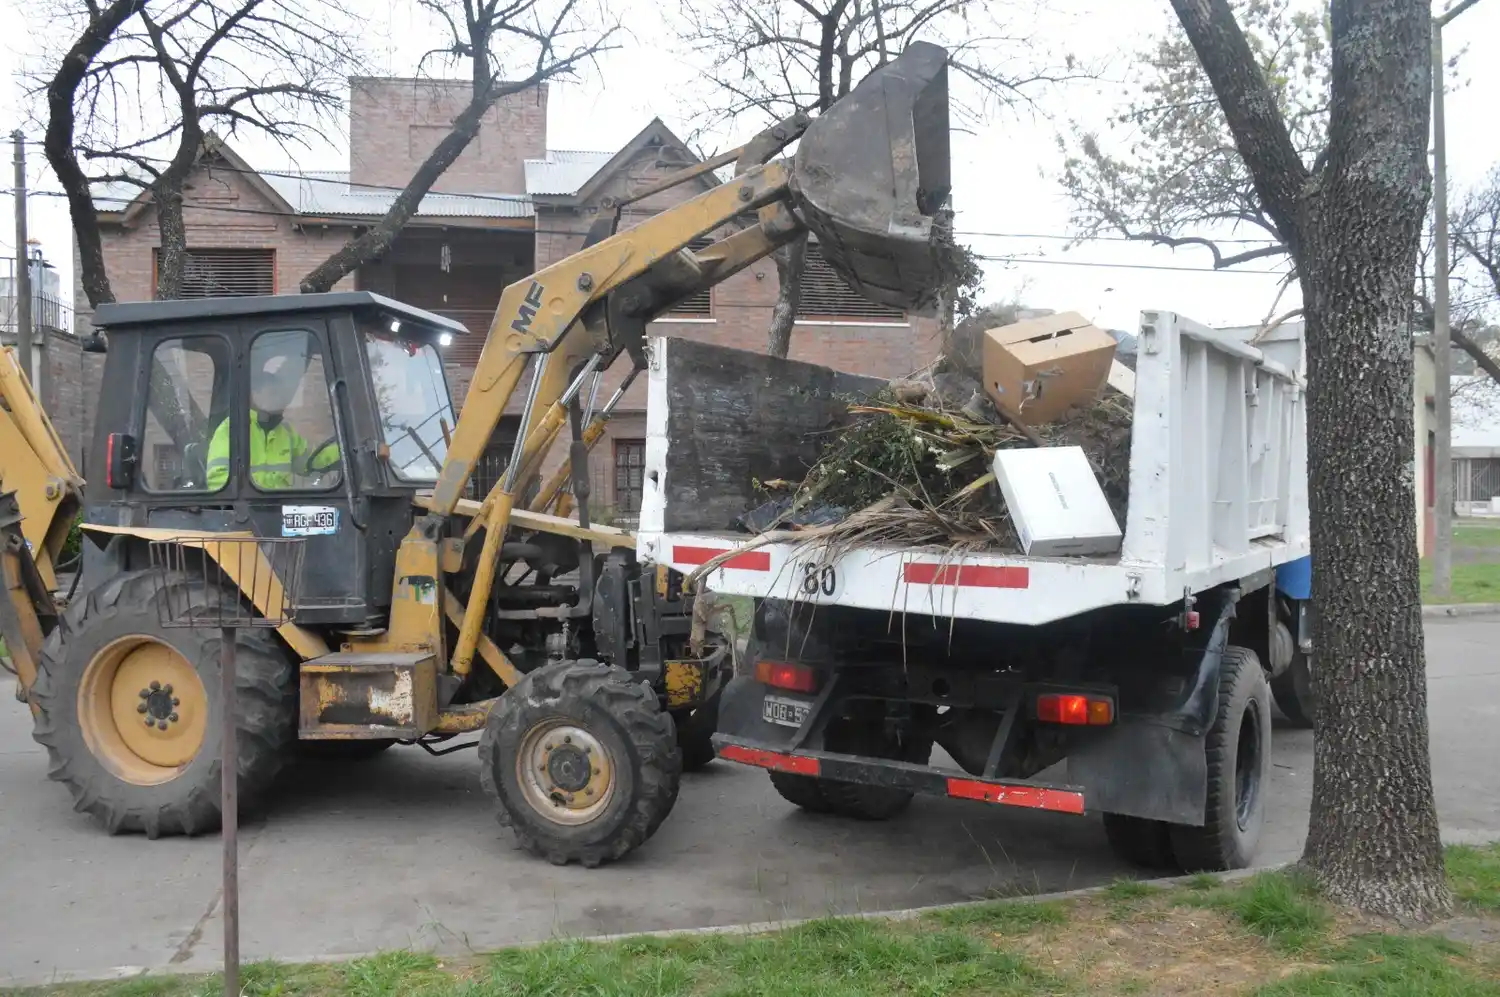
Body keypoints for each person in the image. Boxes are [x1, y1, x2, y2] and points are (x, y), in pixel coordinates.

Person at [205, 340, 341, 490]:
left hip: (277, 507)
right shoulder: (231, 430)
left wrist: (344, 452)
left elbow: (313, 460)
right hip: (250, 508)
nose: (278, 399)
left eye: (278, 393)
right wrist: (265, 491)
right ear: (254, 395)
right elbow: (218, 480)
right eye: (272, 393)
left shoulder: (285, 431)